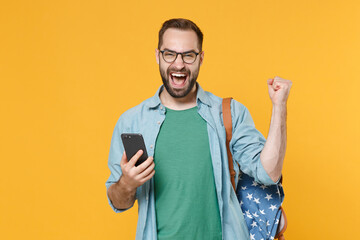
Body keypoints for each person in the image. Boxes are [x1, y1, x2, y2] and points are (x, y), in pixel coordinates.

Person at [106, 18, 292, 240]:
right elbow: (118, 202)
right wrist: (127, 183)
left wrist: (279, 106)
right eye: (169, 54)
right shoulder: (132, 122)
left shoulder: (229, 113)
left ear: (200, 58)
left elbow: (269, 173)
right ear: (158, 56)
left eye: (188, 55)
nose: (178, 64)